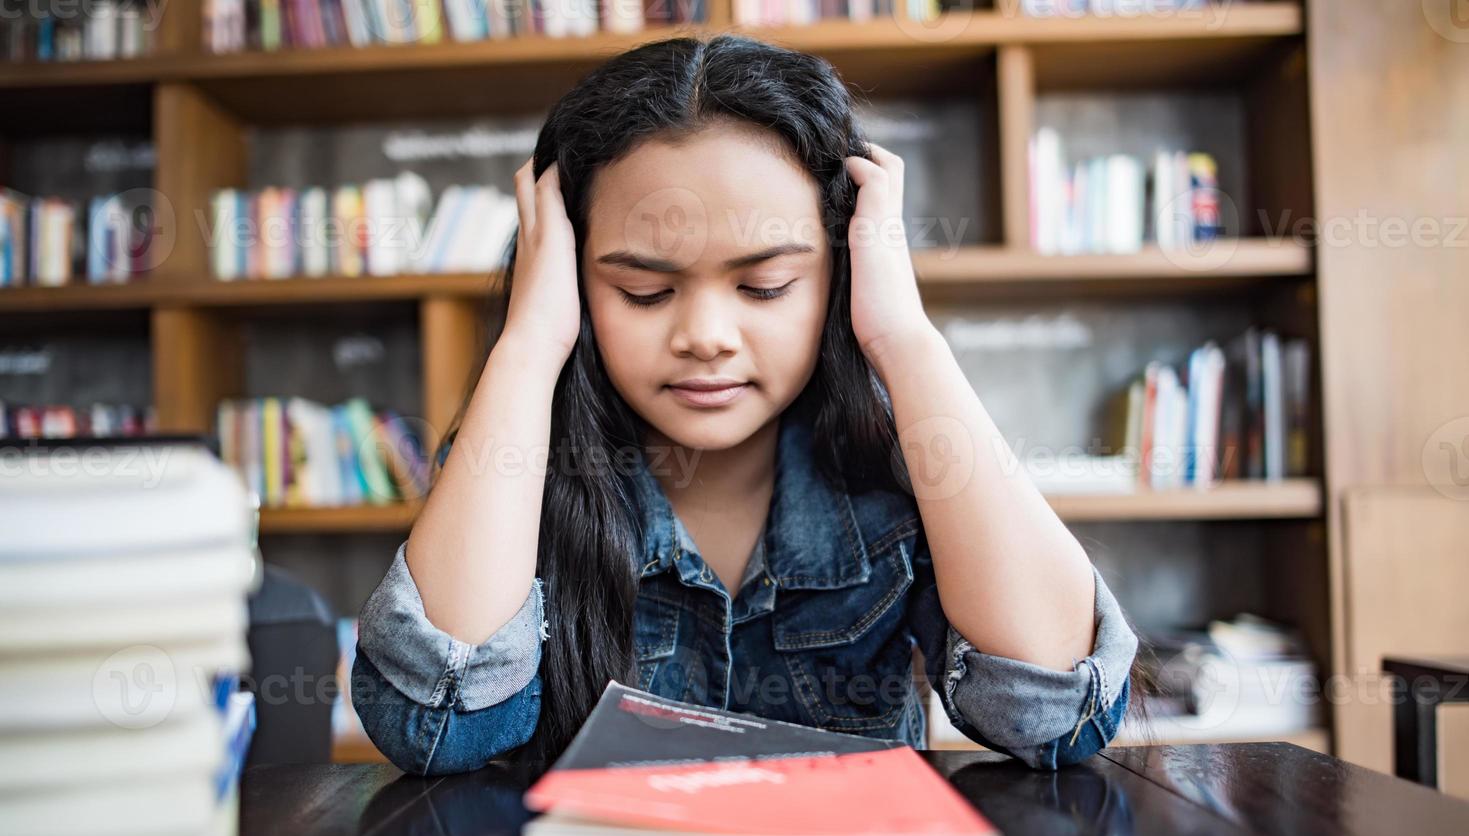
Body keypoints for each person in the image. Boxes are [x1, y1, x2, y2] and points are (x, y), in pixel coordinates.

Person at [352, 33, 1142, 776]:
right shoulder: (515, 465)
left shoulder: (903, 471)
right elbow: (438, 726)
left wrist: (905, 338)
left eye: (765, 286)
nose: (705, 336)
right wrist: (526, 348)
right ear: (569, 277)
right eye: (644, 290)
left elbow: (1056, 715)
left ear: (839, 273)